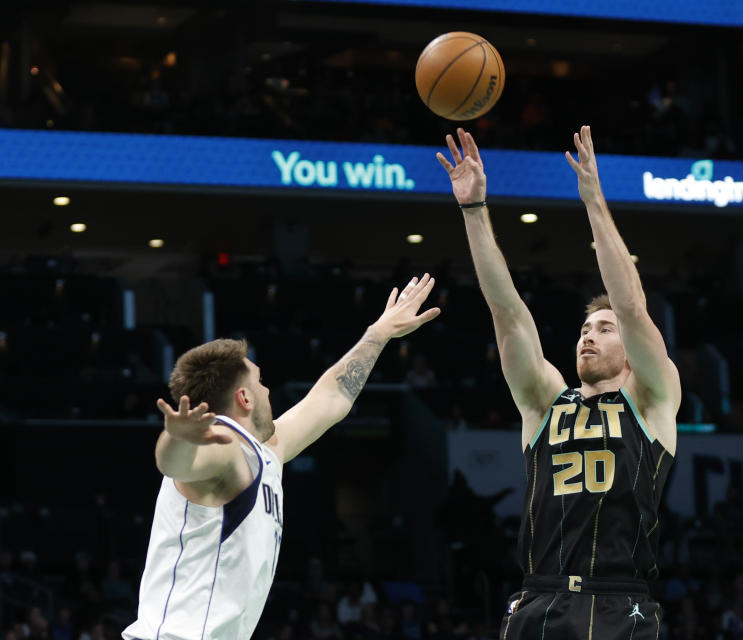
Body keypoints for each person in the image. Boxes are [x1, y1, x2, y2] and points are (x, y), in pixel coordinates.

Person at [437, 126, 681, 639]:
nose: (589, 337)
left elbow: (633, 306)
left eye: (604, 329)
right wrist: (474, 210)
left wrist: (594, 200)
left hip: (620, 603)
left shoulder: (651, 397)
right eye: (585, 329)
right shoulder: (546, 401)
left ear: (632, 354)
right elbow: (506, 311)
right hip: (538, 599)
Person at [122, 275, 440, 640]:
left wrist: (379, 333)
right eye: (261, 381)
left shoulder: (267, 449)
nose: (268, 389)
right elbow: (175, 464)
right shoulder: (225, 446)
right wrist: (176, 438)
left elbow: (332, 398)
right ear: (244, 397)